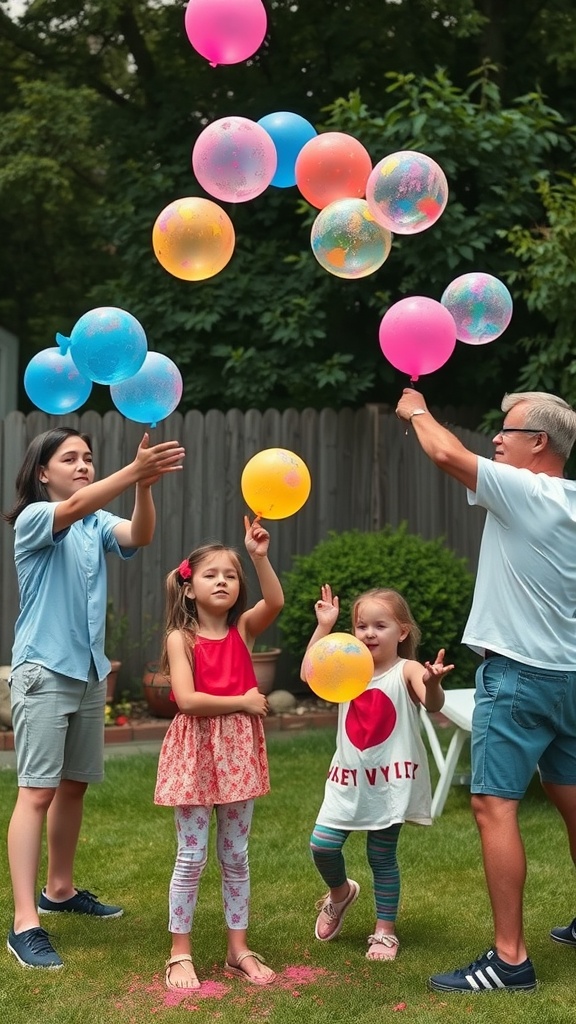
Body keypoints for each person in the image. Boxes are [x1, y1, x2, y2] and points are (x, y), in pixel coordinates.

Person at [396, 387, 576, 993]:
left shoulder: (526, 491)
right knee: (573, 799)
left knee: (491, 804)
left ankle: (510, 959)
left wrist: (418, 409)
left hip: (521, 675)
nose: (496, 439)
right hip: (571, 677)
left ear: (540, 445)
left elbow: (446, 454)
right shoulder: (571, 499)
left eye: (508, 430)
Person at [3, 426, 185, 970]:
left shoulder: (95, 522)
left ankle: (58, 890)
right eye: (70, 458)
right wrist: (133, 470)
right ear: (43, 472)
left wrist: (145, 486)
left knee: (73, 786)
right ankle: (23, 923)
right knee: (36, 793)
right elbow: (81, 501)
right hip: (43, 671)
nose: (83, 465)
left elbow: (140, 536)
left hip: (86, 673)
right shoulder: (37, 518)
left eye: (89, 457)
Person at [154, 517, 284, 991]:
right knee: (191, 856)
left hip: (237, 754)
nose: (223, 581)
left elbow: (276, 601)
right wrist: (244, 702)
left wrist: (258, 556)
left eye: (230, 575)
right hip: (196, 751)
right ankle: (179, 951)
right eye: (212, 574)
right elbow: (187, 701)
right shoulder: (179, 639)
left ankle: (237, 949)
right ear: (189, 588)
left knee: (236, 855)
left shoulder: (243, 630)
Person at [303, 584, 452, 961]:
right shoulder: (344, 668)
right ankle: (340, 893)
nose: (368, 633)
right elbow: (309, 675)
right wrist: (324, 627)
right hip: (347, 779)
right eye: (361, 626)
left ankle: (384, 930)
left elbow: (431, 699)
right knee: (322, 844)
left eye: (379, 626)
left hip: (391, 782)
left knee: (381, 856)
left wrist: (433, 684)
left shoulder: (408, 670)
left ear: (401, 632)